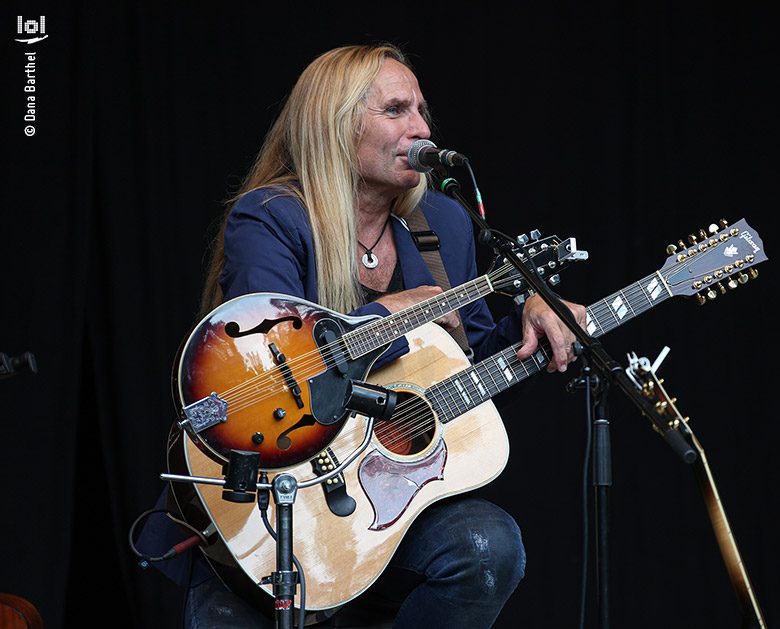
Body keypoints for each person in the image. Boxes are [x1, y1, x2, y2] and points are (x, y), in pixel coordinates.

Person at [136, 43, 586, 628]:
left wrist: (536, 324)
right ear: (336, 124)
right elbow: (265, 370)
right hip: (266, 512)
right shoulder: (271, 217)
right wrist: (396, 315)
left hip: (382, 499)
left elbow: (465, 368)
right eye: (397, 110)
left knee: (488, 545)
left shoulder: (443, 224)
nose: (422, 128)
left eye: (423, 110)